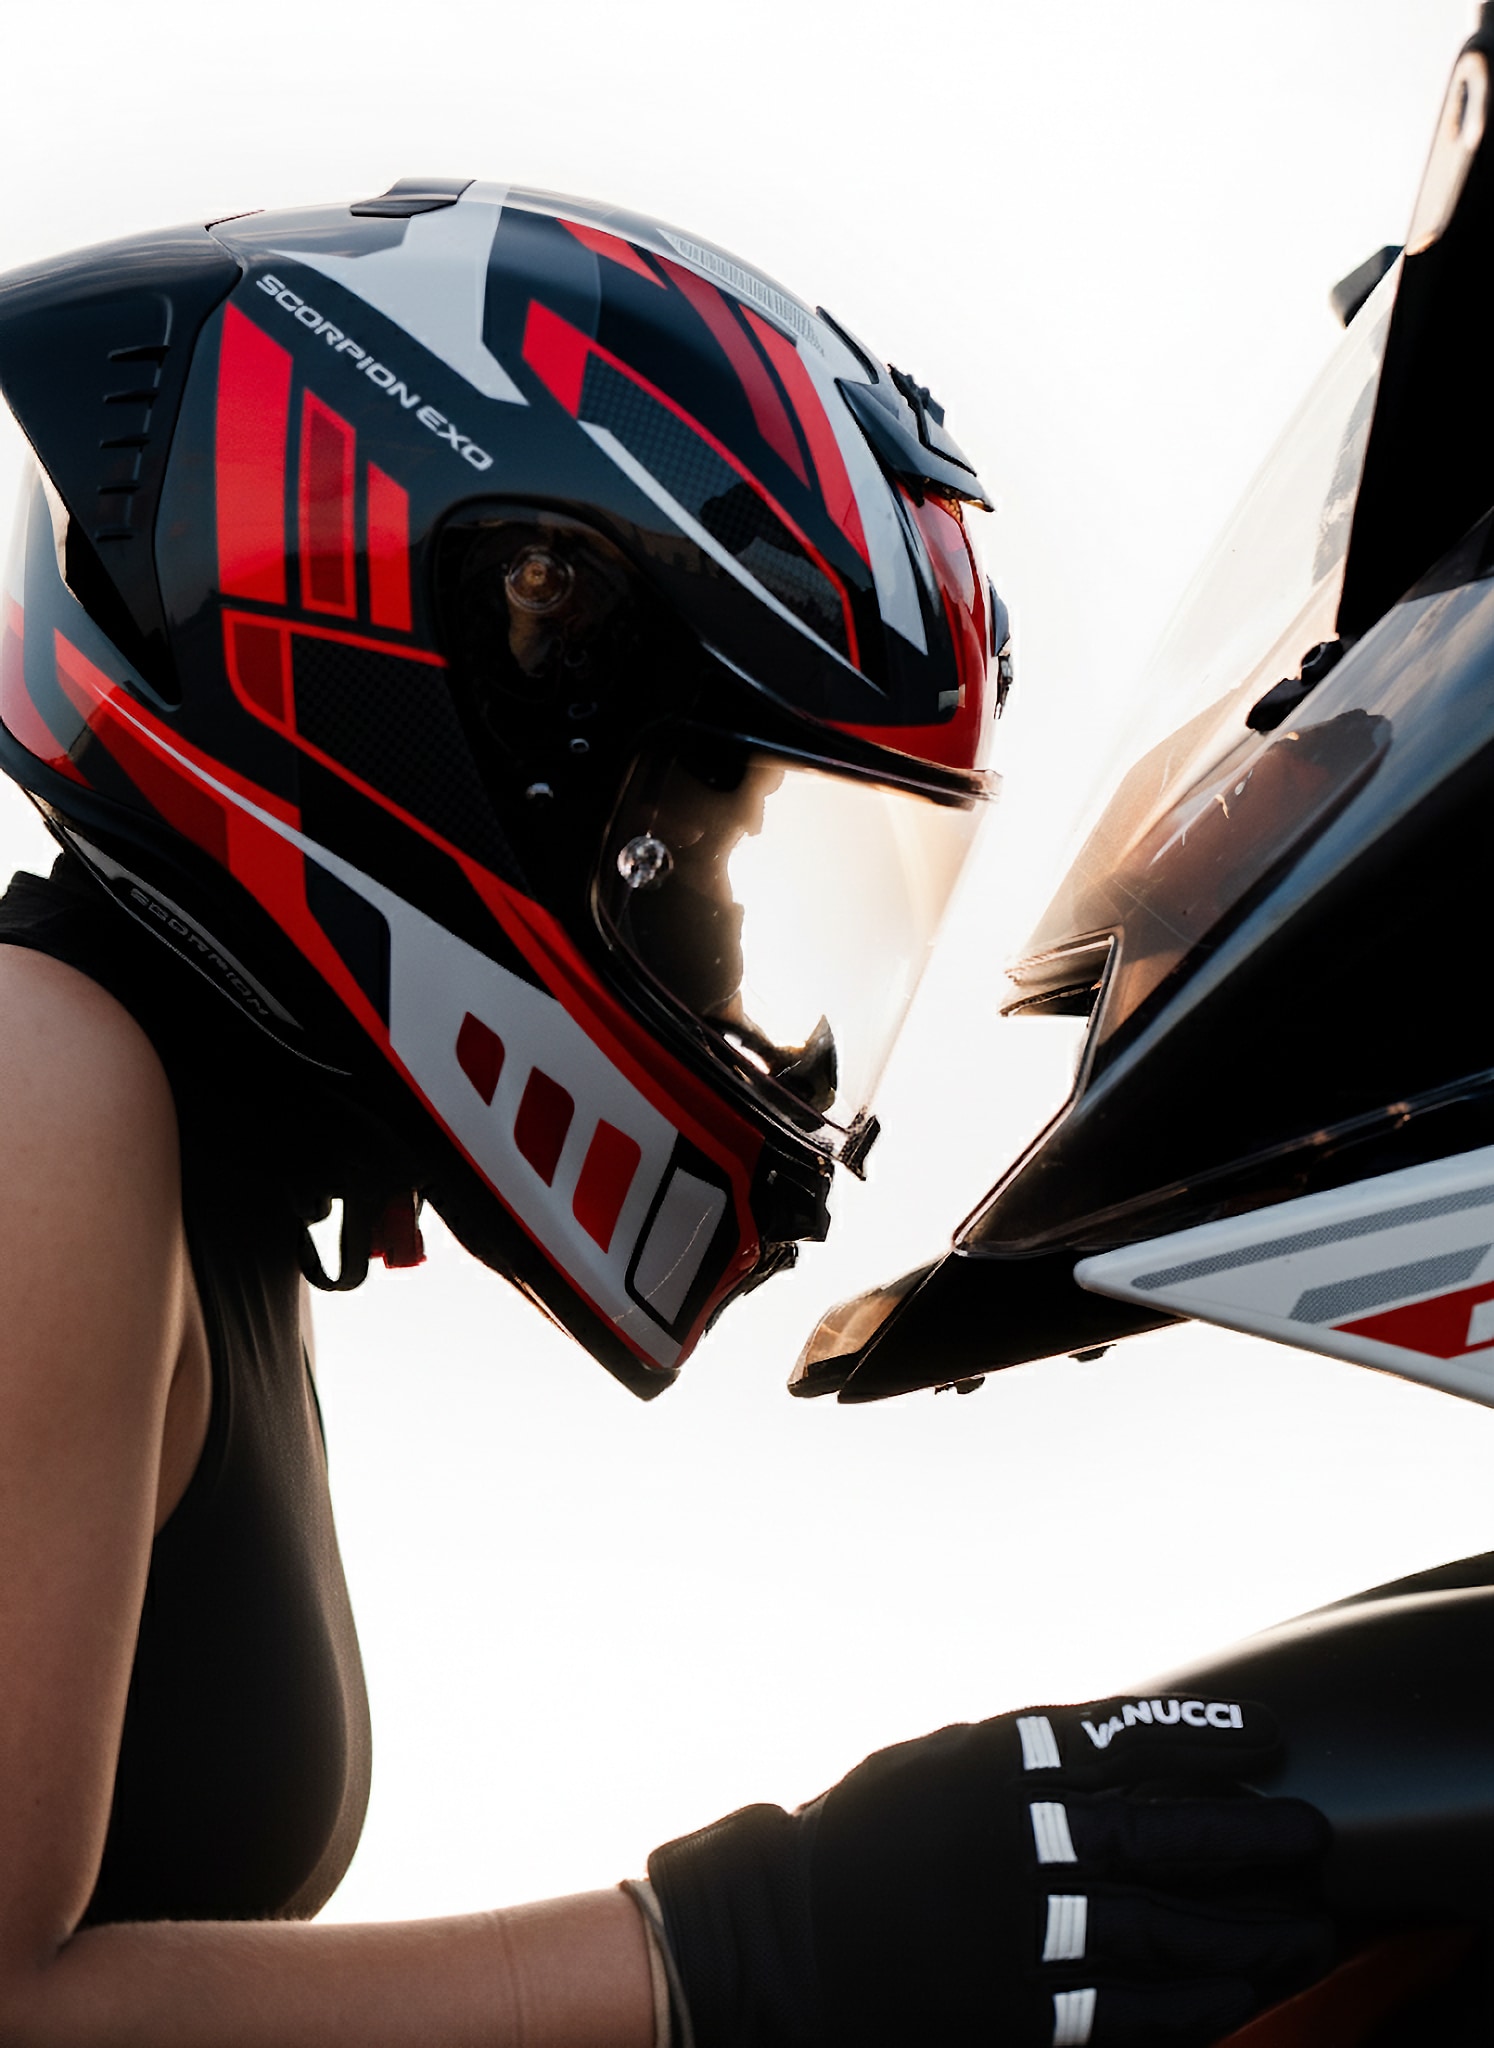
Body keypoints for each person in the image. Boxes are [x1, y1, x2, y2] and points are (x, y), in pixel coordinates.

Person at [0, 179, 1329, 2044]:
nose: (710, 930)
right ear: (418, 692)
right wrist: (767, 1942)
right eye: (686, 821)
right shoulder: (36, 1083)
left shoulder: (191, 1168)